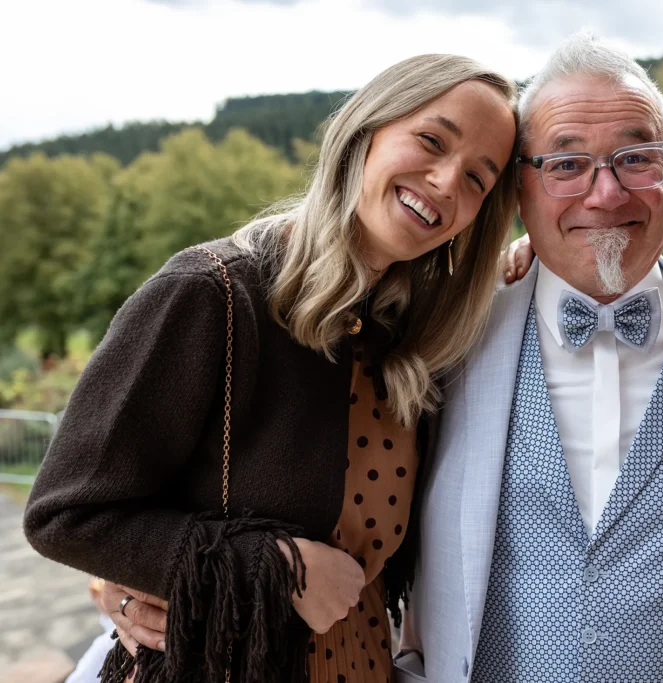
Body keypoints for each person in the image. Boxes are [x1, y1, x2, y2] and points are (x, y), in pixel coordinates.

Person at [23, 53, 518, 683]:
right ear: (365, 131)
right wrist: (280, 568)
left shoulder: (407, 341)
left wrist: (539, 262)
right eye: (430, 140)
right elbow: (67, 515)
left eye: (478, 179)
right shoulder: (211, 295)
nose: (448, 182)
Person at [395, 33, 663, 683]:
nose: (606, 194)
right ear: (520, 191)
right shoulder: (447, 334)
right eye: (567, 165)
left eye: (636, 158)